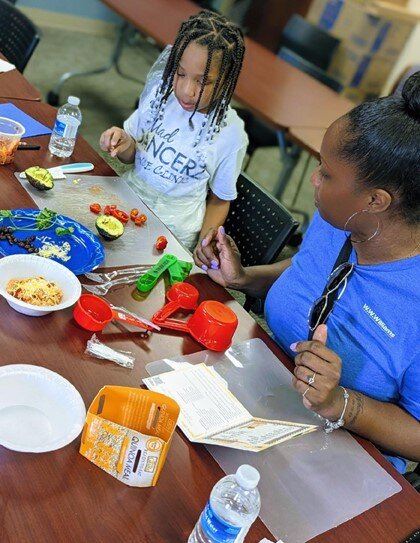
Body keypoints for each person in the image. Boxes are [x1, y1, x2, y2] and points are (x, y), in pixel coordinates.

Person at [194, 72, 420, 473]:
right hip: (261, 387)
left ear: (375, 200)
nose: (314, 179)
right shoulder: (340, 217)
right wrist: (245, 278)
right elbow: (307, 272)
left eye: (326, 173)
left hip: (337, 459)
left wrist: (343, 405)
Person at [99, 10, 247, 252]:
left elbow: (220, 199)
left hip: (172, 231)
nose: (186, 90)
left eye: (202, 81)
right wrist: (124, 143)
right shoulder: (161, 95)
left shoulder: (231, 134)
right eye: (180, 73)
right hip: (126, 204)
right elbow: (132, 155)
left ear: (226, 79)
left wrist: (203, 243)